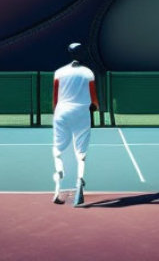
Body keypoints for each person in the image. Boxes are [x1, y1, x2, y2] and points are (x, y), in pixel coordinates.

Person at [52, 42, 99, 206]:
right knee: (81, 152)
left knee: (58, 151)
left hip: (61, 112)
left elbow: (55, 97)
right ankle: (79, 181)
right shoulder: (88, 73)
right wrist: (96, 107)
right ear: (82, 54)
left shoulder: (59, 72)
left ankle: (57, 189)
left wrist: (56, 112)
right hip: (81, 113)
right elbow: (93, 97)